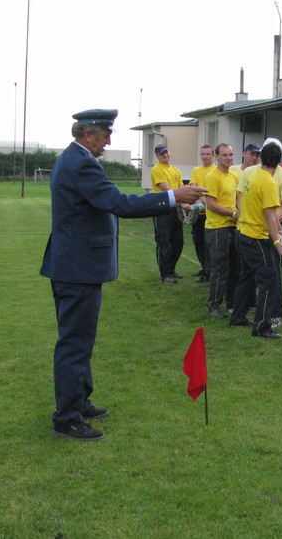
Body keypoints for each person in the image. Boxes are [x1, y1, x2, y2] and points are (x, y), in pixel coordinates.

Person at [41, 108, 205, 441]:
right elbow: (120, 203)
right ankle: (67, 418)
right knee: (75, 343)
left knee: (79, 340)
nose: (109, 141)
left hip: (73, 265)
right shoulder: (82, 163)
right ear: (89, 135)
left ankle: (79, 399)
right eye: (105, 135)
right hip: (78, 267)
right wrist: (174, 196)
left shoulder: (73, 159)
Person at [230, 141, 282, 339]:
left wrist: (275, 226)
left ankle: (238, 316)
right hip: (256, 238)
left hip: (242, 234)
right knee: (270, 282)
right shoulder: (269, 183)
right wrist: (277, 243)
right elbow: (270, 216)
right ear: (279, 160)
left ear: (262, 157)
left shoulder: (251, 174)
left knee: (246, 277)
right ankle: (262, 327)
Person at [203, 143, 239, 319]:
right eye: (225, 155)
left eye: (231, 155)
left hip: (232, 226)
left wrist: (241, 213)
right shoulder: (212, 177)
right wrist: (233, 213)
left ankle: (232, 302)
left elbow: (237, 199)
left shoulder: (233, 177)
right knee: (219, 267)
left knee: (234, 266)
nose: (229, 158)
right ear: (217, 157)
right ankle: (214, 304)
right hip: (217, 228)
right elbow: (211, 204)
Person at [151, 144, 186, 284]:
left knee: (178, 242)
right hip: (162, 208)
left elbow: (181, 188)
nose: (165, 155)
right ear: (157, 156)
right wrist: (182, 201)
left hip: (174, 209)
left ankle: (171, 269)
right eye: (161, 154)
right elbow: (168, 190)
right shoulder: (157, 170)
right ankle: (165, 274)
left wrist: (187, 199)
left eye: (166, 152)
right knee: (163, 241)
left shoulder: (175, 170)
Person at [189, 145, 216, 283]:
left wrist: (207, 202)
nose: (205, 156)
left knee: (209, 243)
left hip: (211, 213)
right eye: (203, 154)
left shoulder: (216, 170)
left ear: (213, 155)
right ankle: (204, 267)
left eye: (208, 154)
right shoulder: (196, 170)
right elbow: (194, 188)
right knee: (198, 242)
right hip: (199, 212)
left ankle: (209, 271)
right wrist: (200, 202)